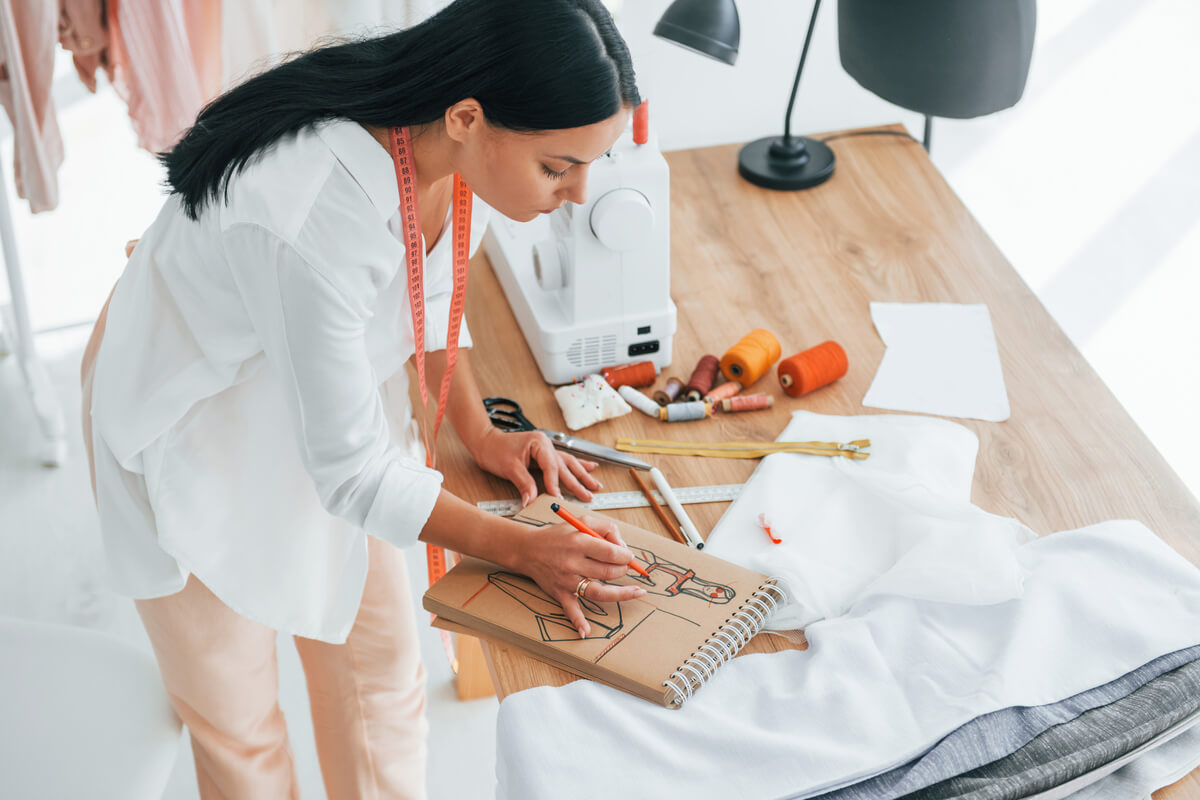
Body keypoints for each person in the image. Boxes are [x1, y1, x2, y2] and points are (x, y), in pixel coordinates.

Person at [79, 1, 646, 797]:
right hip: (189, 427)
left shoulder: (451, 153)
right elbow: (351, 473)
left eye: (591, 164)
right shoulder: (314, 209)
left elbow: (430, 296)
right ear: (467, 118)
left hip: (328, 404)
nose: (580, 193)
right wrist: (519, 547)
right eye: (558, 168)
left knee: (382, 685)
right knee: (241, 730)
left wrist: (478, 430)